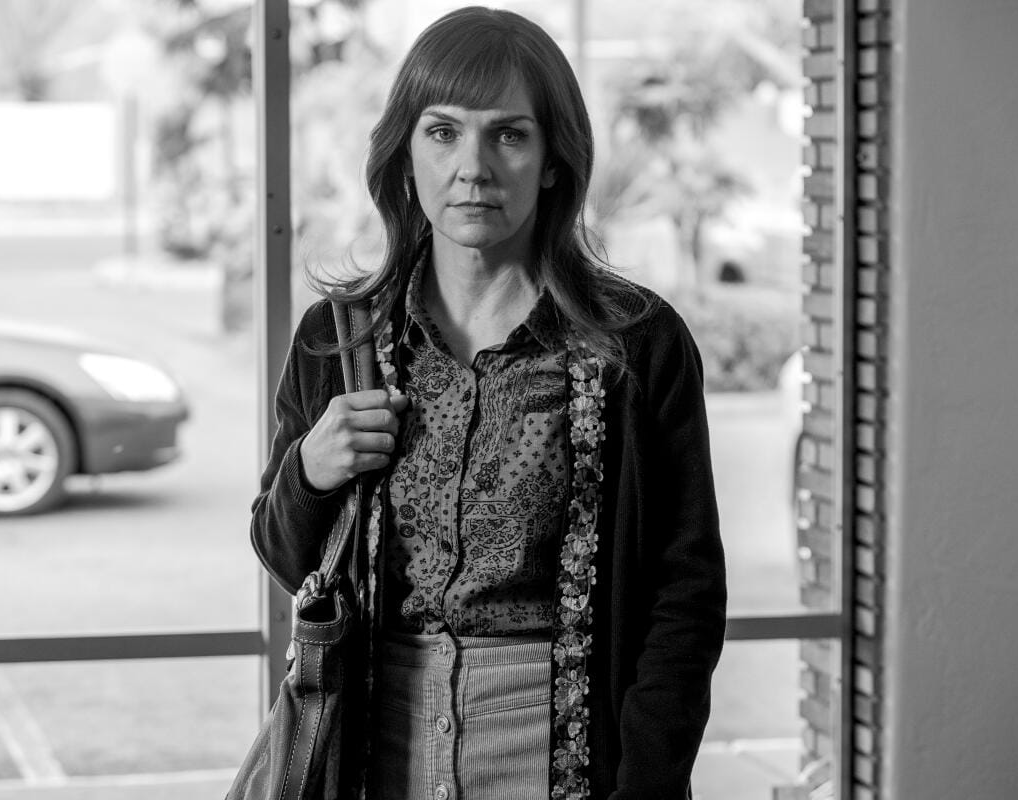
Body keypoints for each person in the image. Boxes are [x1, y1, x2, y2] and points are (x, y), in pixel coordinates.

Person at [249, 6, 726, 799]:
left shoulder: (636, 345)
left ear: (550, 161)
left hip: (557, 745)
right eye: (443, 132)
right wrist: (309, 470)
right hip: (376, 737)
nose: (473, 166)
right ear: (406, 155)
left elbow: (685, 597)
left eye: (508, 134)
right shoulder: (339, 339)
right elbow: (283, 553)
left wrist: (645, 783)